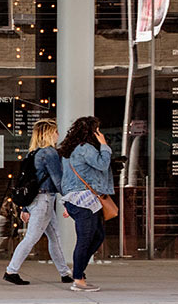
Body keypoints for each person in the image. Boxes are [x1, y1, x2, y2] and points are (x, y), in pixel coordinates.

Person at [3, 119, 71, 285]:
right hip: (44, 200)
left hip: (36, 200)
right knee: (32, 237)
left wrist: (25, 207)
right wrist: (70, 200)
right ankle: (11, 271)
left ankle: (65, 273)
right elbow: (57, 180)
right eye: (55, 132)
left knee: (54, 237)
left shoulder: (32, 153)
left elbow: (27, 182)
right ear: (49, 133)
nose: (58, 135)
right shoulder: (50, 153)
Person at [57, 116, 113, 292]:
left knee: (97, 236)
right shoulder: (85, 148)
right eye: (97, 130)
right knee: (86, 239)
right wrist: (104, 145)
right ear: (92, 132)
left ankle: (78, 270)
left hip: (76, 200)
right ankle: (79, 280)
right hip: (84, 201)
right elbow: (102, 165)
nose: (100, 133)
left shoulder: (70, 149)